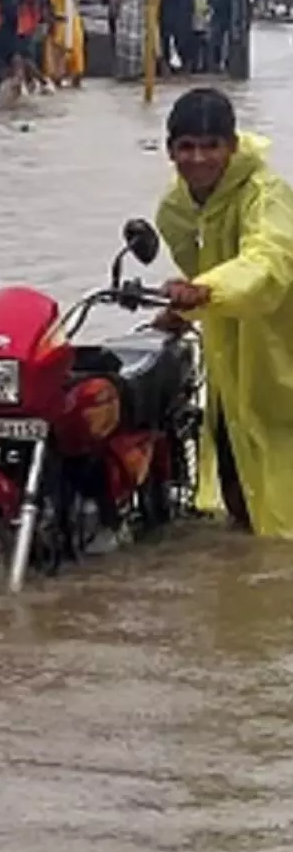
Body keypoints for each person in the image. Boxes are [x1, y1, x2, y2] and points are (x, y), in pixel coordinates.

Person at [154, 88, 293, 537]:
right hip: (230, 358)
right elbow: (202, 271)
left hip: (280, 345)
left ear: (231, 147)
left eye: (211, 145)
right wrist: (188, 309)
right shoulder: (176, 210)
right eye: (187, 146)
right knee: (238, 478)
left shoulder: (266, 195)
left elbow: (268, 262)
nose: (198, 158)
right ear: (170, 149)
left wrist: (203, 292)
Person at [44, 0, 86, 88]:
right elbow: (51, 1)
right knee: (60, 59)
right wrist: (52, 20)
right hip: (62, 22)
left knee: (75, 59)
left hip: (73, 22)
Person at [114, 0, 150, 81]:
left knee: (125, 44)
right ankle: (134, 73)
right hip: (136, 12)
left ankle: (124, 72)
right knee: (136, 44)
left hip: (125, 11)